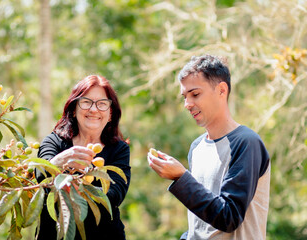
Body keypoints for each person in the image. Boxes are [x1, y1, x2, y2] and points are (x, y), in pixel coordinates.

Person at [147, 55, 270, 240]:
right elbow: (201, 224)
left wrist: (181, 177)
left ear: (221, 90)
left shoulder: (246, 143)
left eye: (195, 94)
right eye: (185, 97)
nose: (187, 104)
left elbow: (228, 218)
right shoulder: (197, 148)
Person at [36, 75, 131, 240]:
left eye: (102, 104)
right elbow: (40, 175)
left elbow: (114, 195)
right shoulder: (54, 142)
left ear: (110, 114)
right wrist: (59, 162)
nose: (93, 109)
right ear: (73, 109)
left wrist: (73, 185)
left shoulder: (119, 150)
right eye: (86, 102)